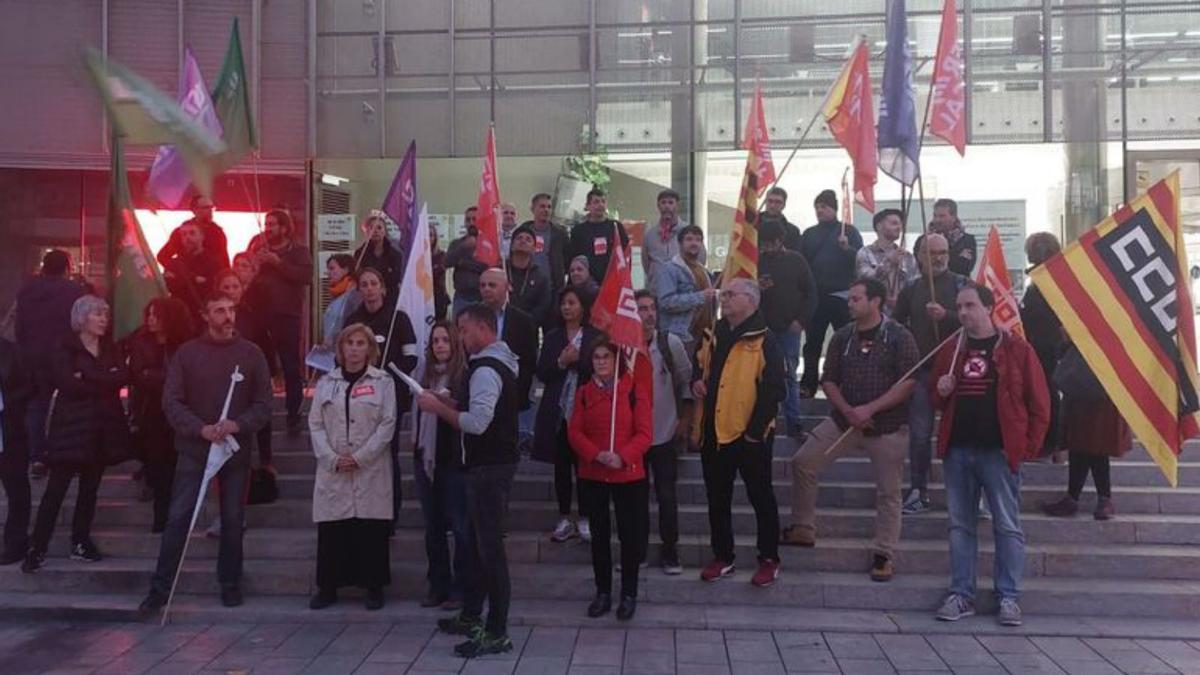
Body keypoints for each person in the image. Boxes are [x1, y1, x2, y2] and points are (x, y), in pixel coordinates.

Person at [138, 293, 272, 614]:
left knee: (232, 519)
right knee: (178, 517)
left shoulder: (252, 354)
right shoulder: (187, 354)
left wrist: (237, 424)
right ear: (205, 315)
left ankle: (230, 583)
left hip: (234, 453)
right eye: (220, 310)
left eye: (231, 310)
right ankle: (160, 588)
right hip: (194, 451)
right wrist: (200, 429)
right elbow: (171, 402)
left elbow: (264, 404)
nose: (228, 316)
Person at [781, 279, 919, 582]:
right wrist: (848, 411)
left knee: (889, 493)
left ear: (876, 301)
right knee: (804, 462)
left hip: (886, 426)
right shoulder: (842, 336)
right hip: (844, 421)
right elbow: (828, 379)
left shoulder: (899, 336)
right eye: (850, 298)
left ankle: (884, 553)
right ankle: (803, 527)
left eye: (856, 299)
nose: (849, 304)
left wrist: (870, 409)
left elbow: (908, 382)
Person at [931, 283, 1049, 627]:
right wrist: (940, 392)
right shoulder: (952, 348)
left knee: (1008, 526)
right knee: (960, 526)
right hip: (958, 450)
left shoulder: (1017, 349)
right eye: (959, 306)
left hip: (998, 452)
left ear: (988, 308)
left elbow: (1040, 404)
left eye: (969, 305)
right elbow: (935, 397)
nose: (963, 312)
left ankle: (1009, 596)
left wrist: (1025, 448)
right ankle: (961, 593)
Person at [417, 304, 520, 658]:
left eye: (463, 330)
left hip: (490, 468)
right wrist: (451, 399)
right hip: (487, 466)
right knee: (478, 546)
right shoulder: (493, 364)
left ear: (481, 328)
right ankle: (473, 614)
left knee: (490, 550)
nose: (460, 337)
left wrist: (439, 409)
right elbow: (478, 406)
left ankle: (496, 631)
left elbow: (478, 422)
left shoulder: (487, 368)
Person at [23, 295, 128, 572]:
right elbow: (67, 382)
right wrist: (101, 378)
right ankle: (38, 546)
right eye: (98, 315)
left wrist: (88, 375)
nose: (104, 320)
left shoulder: (109, 347)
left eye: (105, 315)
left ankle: (80, 541)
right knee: (56, 488)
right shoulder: (65, 346)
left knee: (90, 489)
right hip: (71, 428)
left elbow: (121, 377)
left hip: (102, 428)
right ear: (83, 318)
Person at [691, 278, 785, 587]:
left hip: (750, 435)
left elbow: (774, 390)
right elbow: (698, 365)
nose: (725, 298)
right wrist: (696, 381)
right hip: (714, 432)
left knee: (761, 497)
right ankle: (723, 556)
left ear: (752, 301)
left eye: (732, 294)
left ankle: (769, 558)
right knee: (717, 498)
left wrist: (754, 434)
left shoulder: (765, 339)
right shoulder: (712, 333)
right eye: (724, 294)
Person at [307, 323, 397, 611]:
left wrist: (361, 457)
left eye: (361, 343)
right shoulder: (326, 384)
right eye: (350, 343)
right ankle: (328, 587)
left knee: (370, 528)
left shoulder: (383, 382)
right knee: (334, 528)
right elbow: (316, 424)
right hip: (334, 467)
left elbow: (388, 423)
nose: (355, 349)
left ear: (370, 349)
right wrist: (332, 458)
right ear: (341, 348)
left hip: (369, 467)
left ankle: (373, 587)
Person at [568, 338, 652, 621]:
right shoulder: (583, 393)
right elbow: (574, 432)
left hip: (628, 476)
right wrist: (596, 454)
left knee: (630, 538)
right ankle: (602, 591)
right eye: (596, 357)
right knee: (599, 537)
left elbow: (644, 433)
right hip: (595, 474)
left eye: (606, 357)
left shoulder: (633, 390)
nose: (601, 361)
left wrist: (623, 456)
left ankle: (629, 594)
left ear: (616, 361)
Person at [893, 233, 965, 514]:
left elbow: (977, 319)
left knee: (961, 434)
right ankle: (917, 489)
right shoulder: (911, 289)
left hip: (956, 371)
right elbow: (895, 326)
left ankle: (966, 492)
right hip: (922, 371)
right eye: (932, 252)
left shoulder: (962, 284)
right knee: (920, 434)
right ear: (920, 256)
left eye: (943, 252)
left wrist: (946, 316)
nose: (938, 257)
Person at [344, 267, 418, 525]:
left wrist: (386, 374)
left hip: (390, 396)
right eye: (364, 284)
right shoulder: (353, 320)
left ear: (383, 288)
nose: (369, 289)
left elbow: (411, 357)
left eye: (373, 283)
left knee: (387, 454)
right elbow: (343, 357)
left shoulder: (399, 319)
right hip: (359, 399)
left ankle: (390, 516)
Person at [413, 321, 472, 609]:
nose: (439, 346)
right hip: (426, 458)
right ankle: (438, 585)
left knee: (460, 527)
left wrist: (446, 404)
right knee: (432, 527)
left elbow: (468, 416)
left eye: (445, 341)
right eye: (435, 341)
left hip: (453, 461)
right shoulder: (423, 375)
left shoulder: (464, 376)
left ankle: (461, 588)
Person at [534, 287, 599, 543]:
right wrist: (561, 361)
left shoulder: (594, 336)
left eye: (572, 303)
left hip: (586, 409)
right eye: (563, 303)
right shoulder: (552, 337)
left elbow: (599, 368)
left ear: (582, 306)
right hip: (558, 411)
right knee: (561, 466)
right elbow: (542, 372)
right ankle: (564, 517)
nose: (567, 308)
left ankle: (585, 517)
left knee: (584, 466)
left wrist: (576, 359)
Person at [635, 290, 693, 574]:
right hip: (634, 438)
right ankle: (637, 550)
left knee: (667, 496)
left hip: (665, 434)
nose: (647, 314)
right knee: (635, 499)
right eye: (641, 309)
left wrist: (684, 420)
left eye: (651, 308)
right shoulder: (624, 346)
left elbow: (686, 382)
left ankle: (671, 552)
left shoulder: (670, 344)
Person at [125, 297, 194, 533]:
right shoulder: (141, 341)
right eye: (149, 314)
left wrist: (155, 377)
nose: (151, 319)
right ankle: (161, 517)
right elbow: (138, 375)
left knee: (176, 465)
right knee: (158, 464)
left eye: (157, 315)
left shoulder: (185, 344)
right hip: (150, 411)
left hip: (180, 412)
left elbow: (184, 378)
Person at [16, 250, 87, 477]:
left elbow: (20, 327)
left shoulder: (26, 291)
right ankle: (64, 454)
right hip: (64, 357)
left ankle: (37, 456)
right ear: (67, 267)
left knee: (37, 406)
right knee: (68, 406)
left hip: (33, 357)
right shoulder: (74, 291)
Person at [1041, 339, 1129, 520]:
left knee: (1096, 446)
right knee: (1079, 443)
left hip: (1103, 390)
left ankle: (1101, 499)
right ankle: (1077, 498)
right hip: (1080, 386)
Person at [247, 208, 313, 435]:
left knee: (290, 366)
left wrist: (277, 263)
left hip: (287, 316)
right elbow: (246, 273)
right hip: (259, 315)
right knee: (261, 365)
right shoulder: (257, 245)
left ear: (284, 227)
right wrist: (256, 262)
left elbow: (304, 276)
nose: (268, 228)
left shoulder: (298, 251)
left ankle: (293, 413)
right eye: (266, 224)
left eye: (273, 224)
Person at [797, 189, 863, 397]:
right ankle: (808, 383)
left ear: (834, 208)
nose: (820, 211)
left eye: (824, 207)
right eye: (817, 207)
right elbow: (802, 263)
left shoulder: (849, 232)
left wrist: (847, 249)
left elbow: (860, 261)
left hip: (842, 296)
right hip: (816, 297)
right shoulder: (809, 233)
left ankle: (846, 383)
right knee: (812, 343)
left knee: (845, 341)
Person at [758, 219, 818, 438]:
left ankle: (794, 422)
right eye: (762, 244)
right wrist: (757, 287)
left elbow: (811, 294)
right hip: (761, 330)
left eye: (769, 243)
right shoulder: (756, 261)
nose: (766, 248)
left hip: (788, 329)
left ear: (780, 240)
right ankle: (762, 422)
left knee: (789, 375)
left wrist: (800, 321)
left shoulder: (797, 261)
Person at [1020, 232, 1064, 458]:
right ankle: (1049, 442)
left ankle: (1052, 442)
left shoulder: (1049, 280)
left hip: (1046, 346)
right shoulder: (1040, 280)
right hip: (1039, 344)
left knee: (1046, 393)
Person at [479, 268, 537, 412]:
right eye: (482, 285)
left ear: (506, 287)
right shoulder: (470, 317)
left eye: (492, 285)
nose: (486, 289)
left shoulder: (523, 321)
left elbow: (529, 362)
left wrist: (517, 393)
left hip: (511, 396)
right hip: (478, 392)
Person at [654, 224, 716, 355]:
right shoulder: (669, 269)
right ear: (680, 243)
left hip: (705, 336)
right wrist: (700, 296)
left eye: (698, 239)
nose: (694, 243)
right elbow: (666, 302)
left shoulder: (703, 270)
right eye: (689, 239)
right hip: (681, 336)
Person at [0, 338, 31, 565]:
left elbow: (28, 385)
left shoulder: (11, 350)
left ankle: (16, 542)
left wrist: (6, 402)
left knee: (17, 488)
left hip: (9, 429)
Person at [161, 220, 229, 318]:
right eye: (184, 234)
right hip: (180, 317)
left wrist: (180, 280)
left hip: (204, 317)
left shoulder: (214, 263)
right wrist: (195, 280)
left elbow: (213, 289)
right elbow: (170, 286)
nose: (187, 237)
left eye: (192, 233)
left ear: (202, 236)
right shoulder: (174, 264)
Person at [856, 208, 918, 315]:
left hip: (902, 315)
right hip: (874, 314)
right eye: (894, 223)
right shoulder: (865, 253)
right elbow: (866, 281)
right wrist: (889, 262)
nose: (899, 227)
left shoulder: (907, 256)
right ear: (879, 226)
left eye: (900, 225)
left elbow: (915, 284)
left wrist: (902, 300)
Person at [567, 188, 629, 285]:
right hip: (587, 284)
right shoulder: (578, 231)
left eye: (603, 202)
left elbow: (626, 254)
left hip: (612, 282)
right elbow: (573, 259)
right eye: (596, 202)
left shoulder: (616, 227)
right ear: (588, 206)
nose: (600, 205)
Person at [642, 189, 702, 287]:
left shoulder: (690, 232)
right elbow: (646, 262)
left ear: (677, 205)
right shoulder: (650, 235)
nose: (667, 206)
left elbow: (700, 259)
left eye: (670, 202)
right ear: (658, 206)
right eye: (663, 202)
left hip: (683, 290)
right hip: (657, 290)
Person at [156, 195, 231, 269]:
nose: (210, 210)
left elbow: (224, 260)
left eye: (212, 207)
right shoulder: (182, 232)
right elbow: (163, 257)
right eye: (206, 207)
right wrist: (179, 272)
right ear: (195, 210)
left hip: (212, 277)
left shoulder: (217, 232)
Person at [506, 224, 554, 331]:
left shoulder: (541, 277)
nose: (523, 241)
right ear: (512, 246)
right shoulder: (501, 271)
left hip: (528, 330)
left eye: (528, 240)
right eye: (519, 238)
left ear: (534, 249)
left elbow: (543, 306)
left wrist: (525, 322)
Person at [522, 193, 569, 294]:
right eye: (542, 206)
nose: (546, 210)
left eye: (549, 207)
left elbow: (566, 260)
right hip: (525, 286)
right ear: (533, 209)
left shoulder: (560, 234)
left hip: (551, 289)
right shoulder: (523, 231)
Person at [447, 208, 488, 316]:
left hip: (483, 298)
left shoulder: (489, 244)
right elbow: (446, 262)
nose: (471, 223)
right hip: (461, 297)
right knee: (459, 330)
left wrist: (463, 263)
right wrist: (463, 248)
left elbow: (487, 267)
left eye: (474, 219)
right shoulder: (457, 243)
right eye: (468, 220)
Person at [921, 198, 977, 277]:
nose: (937, 220)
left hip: (958, 287)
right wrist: (956, 257)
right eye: (935, 215)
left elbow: (964, 268)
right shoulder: (924, 240)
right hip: (930, 287)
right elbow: (923, 266)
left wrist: (936, 259)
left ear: (953, 217)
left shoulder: (967, 241)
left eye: (942, 216)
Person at [355, 210, 405, 290]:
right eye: (371, 228)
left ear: (385, 231)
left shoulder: (396, 255)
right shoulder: (360, 254)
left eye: (379, 227)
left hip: (390, 297)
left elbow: (399, 278)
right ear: (367, 231)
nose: (375, 231)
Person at [322, 253, 362, 345]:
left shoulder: (354, 295)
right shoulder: (336, 295)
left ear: (345, 270)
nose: (328, 273)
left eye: (332, 268)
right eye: (328, 269)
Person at [758, 186, 803, 252]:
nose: (772, 205)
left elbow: (794, 257)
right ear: (765, 202)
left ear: (784, 205)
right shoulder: (751, 226)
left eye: (778, 202)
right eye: (770, 201)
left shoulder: (793, 231)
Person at [431, 227, 450, 320]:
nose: (428, 237)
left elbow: (437, 273)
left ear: (435, 237)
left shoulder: (442, 255)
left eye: (431, 235)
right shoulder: (418, 257)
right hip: (422, 299)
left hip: (439, 298)